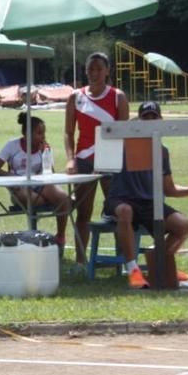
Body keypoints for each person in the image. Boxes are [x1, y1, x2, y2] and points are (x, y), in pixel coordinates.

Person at [104, 101, 188, 289]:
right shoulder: (122, 143)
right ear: (137, 120)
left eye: (155, 117)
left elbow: (168, 189)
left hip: (149, 203)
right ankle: (133, 270)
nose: (151, 122)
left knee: (183, 226)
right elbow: (103, 165)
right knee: (125, 211)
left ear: (161, 120)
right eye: (146, 118)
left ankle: (160, 261)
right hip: (121, 199)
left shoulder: (162, 151)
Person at [65, 52, 129, 265]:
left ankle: (123, 259)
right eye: (90, 69)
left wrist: (111, 162)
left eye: (98, 69)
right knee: (84, 212)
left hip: (111, 161)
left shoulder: (117, 96)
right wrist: (71, 159)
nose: (93, 73)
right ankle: (81, 261)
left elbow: (124, 133)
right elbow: (68, 133)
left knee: (118, 210)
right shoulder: (76, 96)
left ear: (107, 71)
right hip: (83, 160)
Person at [0, 112, 70, 249]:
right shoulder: (12, 145)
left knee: (64, 198)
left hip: (40, 184)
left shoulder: (44, 148)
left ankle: (60, 237)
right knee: (36, 201)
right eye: (39, 133)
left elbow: (50, 173)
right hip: (19, 186)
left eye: (44, 133)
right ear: (27, 134)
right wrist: (10, 176)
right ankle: (36, 239)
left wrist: (45, 153)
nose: (43, 137)